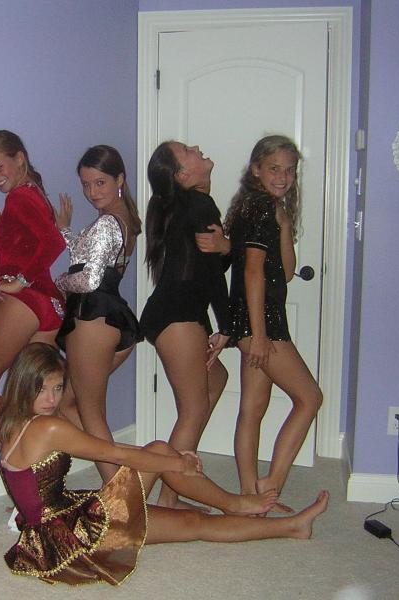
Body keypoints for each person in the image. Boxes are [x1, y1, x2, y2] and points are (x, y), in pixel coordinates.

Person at [0, 343, 329, 586]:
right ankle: (259, 513)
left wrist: (169, 460)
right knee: (192, 518)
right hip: (71, 538)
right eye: (42, 389)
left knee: (164, 462)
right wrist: (177, 465)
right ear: (24, 385)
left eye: (57, 388)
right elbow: (114, 454)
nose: (51, 399)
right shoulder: (47, 427)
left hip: (59, 522)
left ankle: (255, 512)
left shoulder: (14, 421)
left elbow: (107, 449)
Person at [225, 135, 323, 497]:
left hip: (257, 320)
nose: (283, 177)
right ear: (256, 169)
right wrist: (260, 335)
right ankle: (270, 486)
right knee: (310, 398)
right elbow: (253, 272)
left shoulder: (266, 207)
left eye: (290, 170)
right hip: (261, 322)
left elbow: (287, 270)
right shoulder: (261, 206)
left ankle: (249, 497)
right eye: (274, 169)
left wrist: (284, 225)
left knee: (252, 408)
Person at [138, 141, 233, 510]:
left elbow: (207, 264)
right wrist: (227, 325)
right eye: (186, 151)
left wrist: (225, 247)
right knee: (192, 410)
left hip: (176, 315)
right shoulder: (198, 203)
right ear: (182, 174)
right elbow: (212, 275)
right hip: (178, 318)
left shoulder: (186, 205)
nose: (196, 147)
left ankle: (171, 494)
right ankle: (160, 499)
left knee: (216, 379)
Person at [53, 145, 143, 482]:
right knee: (67, 404)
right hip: (110, 318)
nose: (92, 192)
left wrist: (60, 282)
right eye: (86, 184)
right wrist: (65, 230)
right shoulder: (123, 218)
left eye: (100, 183)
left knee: (91, 414)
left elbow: (89, 279)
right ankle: (124, 480)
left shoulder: (107, 222)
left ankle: (122, 495)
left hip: (93, 318)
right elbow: (89, 256)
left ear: (120, 179)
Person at [0, 130, 66, 447]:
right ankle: (42, 472)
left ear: (20, 159)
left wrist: (21, 282)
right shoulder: (32, 192)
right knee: (33, 398)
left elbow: (54, 243)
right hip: (47, 305)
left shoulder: (19, 197)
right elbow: (24, 254)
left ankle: (17, 465)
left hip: (26, 302)